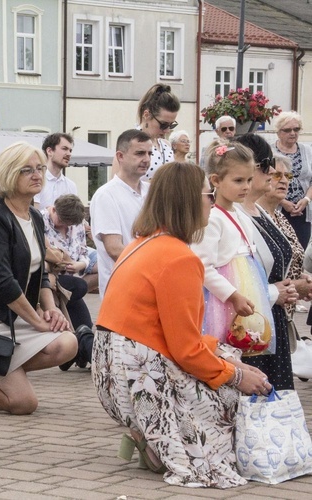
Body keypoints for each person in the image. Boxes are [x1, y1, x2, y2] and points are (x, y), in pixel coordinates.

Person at [92, 161, 270, 488]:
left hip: (113, 370)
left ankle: (152, 437)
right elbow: (186, 350)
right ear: (188, 200)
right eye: (209, 194)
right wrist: (237, 375)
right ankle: (165, 442)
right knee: (230, 396)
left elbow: (176, 337)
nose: (214, 202)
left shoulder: (142, 243)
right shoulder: (179, 257)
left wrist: (226, 360)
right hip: (135, 374)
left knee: (227, 357)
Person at [0, 143, 77, 414]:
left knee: (68, 342)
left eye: (39, 169)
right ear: (10, 174)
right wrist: (36, 321)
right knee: (24, 404)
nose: (37, 175)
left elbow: (40, 273)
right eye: (27, 170)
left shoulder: (34, 216)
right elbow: (1, 282)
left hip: (15, 316)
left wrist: (52, 311)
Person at [192, 141, 278, 386]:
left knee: (245, 346)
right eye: (239, 181)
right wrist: (232, 295)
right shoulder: (211, 219)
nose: (247, 187)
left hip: (245, 289)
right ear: (216, 180)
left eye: (249, 180)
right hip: (223, 299)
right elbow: (202, 266)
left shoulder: (239, 213)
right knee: (225, 346)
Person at [234, 134, 300, 391]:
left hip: (272, 322)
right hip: (252, 324)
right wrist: (275, 292)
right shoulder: (233, 215)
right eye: (265, 165)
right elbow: (235, 278)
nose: (272, 171)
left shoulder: (260, 211)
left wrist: (289, 287)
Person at [90, 129, 152, 296]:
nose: (146, 159)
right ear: (120, 156)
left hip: (150, 285)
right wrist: (154, 267)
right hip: (122, 290)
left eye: (149, 153)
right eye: (139, 153)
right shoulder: (106, 195)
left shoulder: (152, 192)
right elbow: (114, 249)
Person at [40, 194, 95, 370]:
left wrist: (80, 264)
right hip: (49, 276)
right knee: (80, 287)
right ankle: (90, 356)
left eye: (68, 224)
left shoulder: (76, 224)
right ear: (53, 209)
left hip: (70, 275)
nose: (64, 226)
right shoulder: (39, 220)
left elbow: (83, 252)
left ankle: (73, 355)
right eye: (61, 221)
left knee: (85, 325)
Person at [258, 155, 312, 317]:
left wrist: (304, 280)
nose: (284, 181)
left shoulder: (280, 217)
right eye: (277, 175)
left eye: (287, 176)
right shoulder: (255, 218)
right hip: (264, 311)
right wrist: (297, 285)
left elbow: (288, 263)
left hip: (285, 312)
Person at [116, 84, 179, 180]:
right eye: (163, 124)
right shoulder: (128, 144)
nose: (167, 130)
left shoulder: (166, 145)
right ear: (146, 115)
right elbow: (117, 187)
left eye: (171, 125)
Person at [271, 111, 312, 248]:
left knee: (300, 249)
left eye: (296, 129)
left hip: (302, 210)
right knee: (280, 248)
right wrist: (282, 202)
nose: (292, 133)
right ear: (278, 132)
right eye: (287, 130)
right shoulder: (270, 151)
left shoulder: (308, 151)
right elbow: (263, 179)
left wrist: (306, 200)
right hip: (276, 208)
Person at [33, 133, 76, 209]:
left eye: (70, 150)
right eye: (64, 149)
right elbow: (33, 214)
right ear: (49, 151)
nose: (69, 154)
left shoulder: (71, 186)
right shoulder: (35, 181)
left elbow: (73, 216)